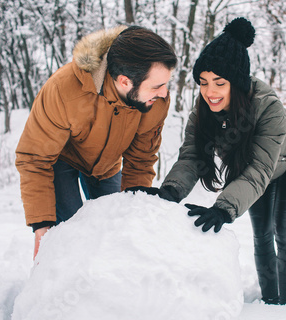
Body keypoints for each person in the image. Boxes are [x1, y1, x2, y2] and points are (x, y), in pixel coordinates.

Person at [158, 17, 286, 305]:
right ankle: (271, 303)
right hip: (258, 168)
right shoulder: (204, 111)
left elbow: (259, 169)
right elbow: (192, 155)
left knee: (283, 231)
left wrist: (223, 208)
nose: (209, 91)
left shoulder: (268, 109)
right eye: (203, 82)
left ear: (237, 83)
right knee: (261, 235)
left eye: (219, 82)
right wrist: (170, 191)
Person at [15, 25, 177, 259]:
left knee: (116, 228)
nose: (164, 93)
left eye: (165, 84)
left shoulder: (155, 100)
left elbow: (140, 160)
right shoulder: (63, 90)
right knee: (71, 233)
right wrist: (42, 226)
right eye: (156, 86)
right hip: (61, 160)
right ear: (125, 82)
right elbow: (35, 158)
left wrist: (134, 209)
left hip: (107, 165)